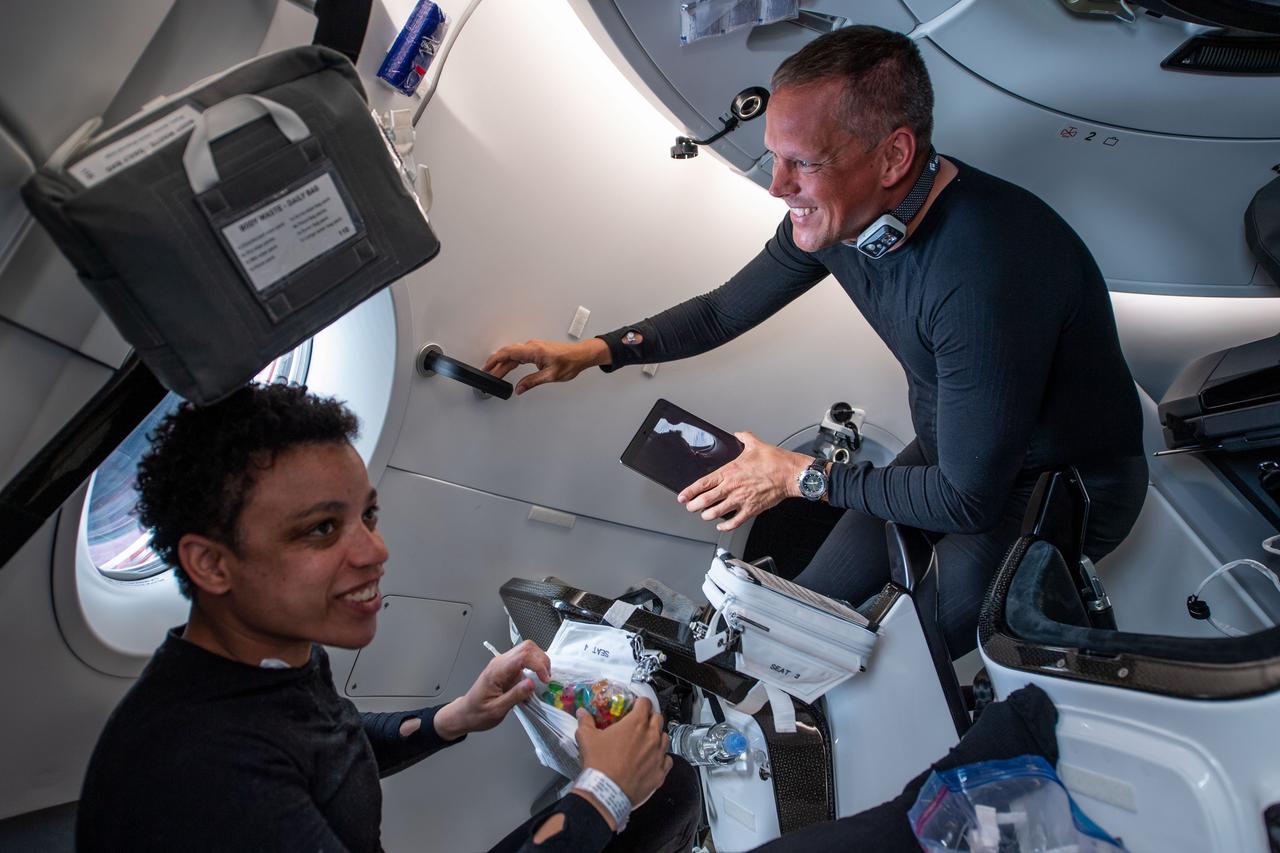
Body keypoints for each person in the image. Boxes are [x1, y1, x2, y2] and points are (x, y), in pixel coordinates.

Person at [483, 26, 1147, 657]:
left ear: (894, 156)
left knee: (876, 661)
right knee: (794, 618)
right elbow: (719, 313)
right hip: (957, 453)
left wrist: (795, 474)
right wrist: (595, 352)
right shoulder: (846, 223)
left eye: (803, 163)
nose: (778, 186)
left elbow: (967, 500)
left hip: (1055, 487)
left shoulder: (980, 273)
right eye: (775, 156)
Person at [76, 384, 699, 853]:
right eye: (322, 529)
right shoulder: (200, 768)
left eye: (366, 517)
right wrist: (604, 794)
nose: (375, 552)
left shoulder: (271, 659)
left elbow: (336, 743)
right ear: (212, 565)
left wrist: (458, 716)